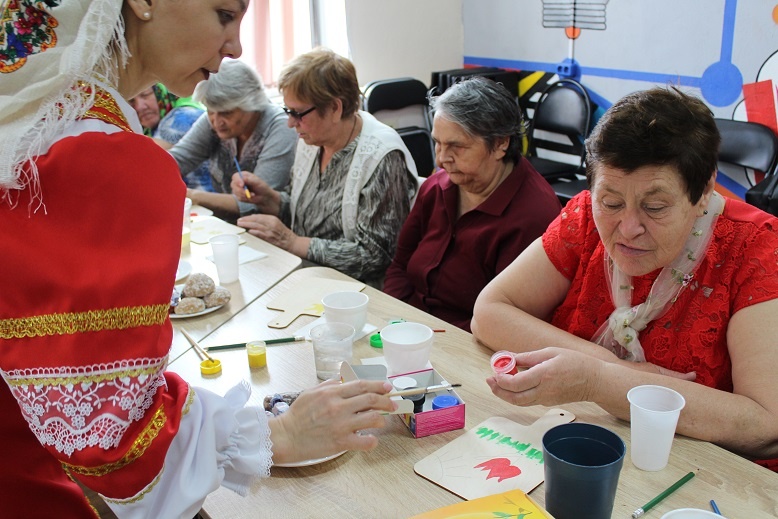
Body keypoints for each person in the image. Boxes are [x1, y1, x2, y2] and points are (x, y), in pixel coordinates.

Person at [0, 1, 397, 517]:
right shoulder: (96, 156)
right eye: (224, 14)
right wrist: (281, 434)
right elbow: (116, 441)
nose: (235, 47)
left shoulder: (40, 121)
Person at [471, 87, 778, 470]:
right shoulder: (584, 218)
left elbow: (766, 424)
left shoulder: (756, 250)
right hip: (577, 444)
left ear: (703, 192)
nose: (627, 228)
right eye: (611, 202)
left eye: (655, 206)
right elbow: (489, 312)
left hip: (692, 470)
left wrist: (599, 382)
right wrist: (608, 365)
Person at [383, 77, 561, 331]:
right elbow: (399, 265)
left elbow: (510, 322)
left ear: (501, 143)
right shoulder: (436, 187)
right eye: (438, 143)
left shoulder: (534, 216)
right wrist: (397, 320)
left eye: (457, 146)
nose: (442, 159)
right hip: (407, 327)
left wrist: (430, 337)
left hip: (468, 343)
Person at [232, 48, 419, 287]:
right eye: (287, 111)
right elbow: (310, 216)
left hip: (356, 293)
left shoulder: (381, 156)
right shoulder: (313, 139)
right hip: (307, 276)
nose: (291, 123)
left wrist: (292, 242)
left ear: (335, 108)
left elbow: (375, 255)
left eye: (297, 113)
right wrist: (270, 199)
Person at [170, 58, 297, 220]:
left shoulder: (280, 128)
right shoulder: (215, 117)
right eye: (210, 110)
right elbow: (177, 160)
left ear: (250, 103)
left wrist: (192, 196)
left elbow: (256, 203)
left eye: (226, 112)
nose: (216, 121)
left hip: (266, 234)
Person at [129, 83, 214, 191]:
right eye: (131, 101)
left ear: (160, 91)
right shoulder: (151, 128)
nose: (140, 106)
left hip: (206, 202)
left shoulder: (183, 115)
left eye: (145, 95)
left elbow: (142, 157)